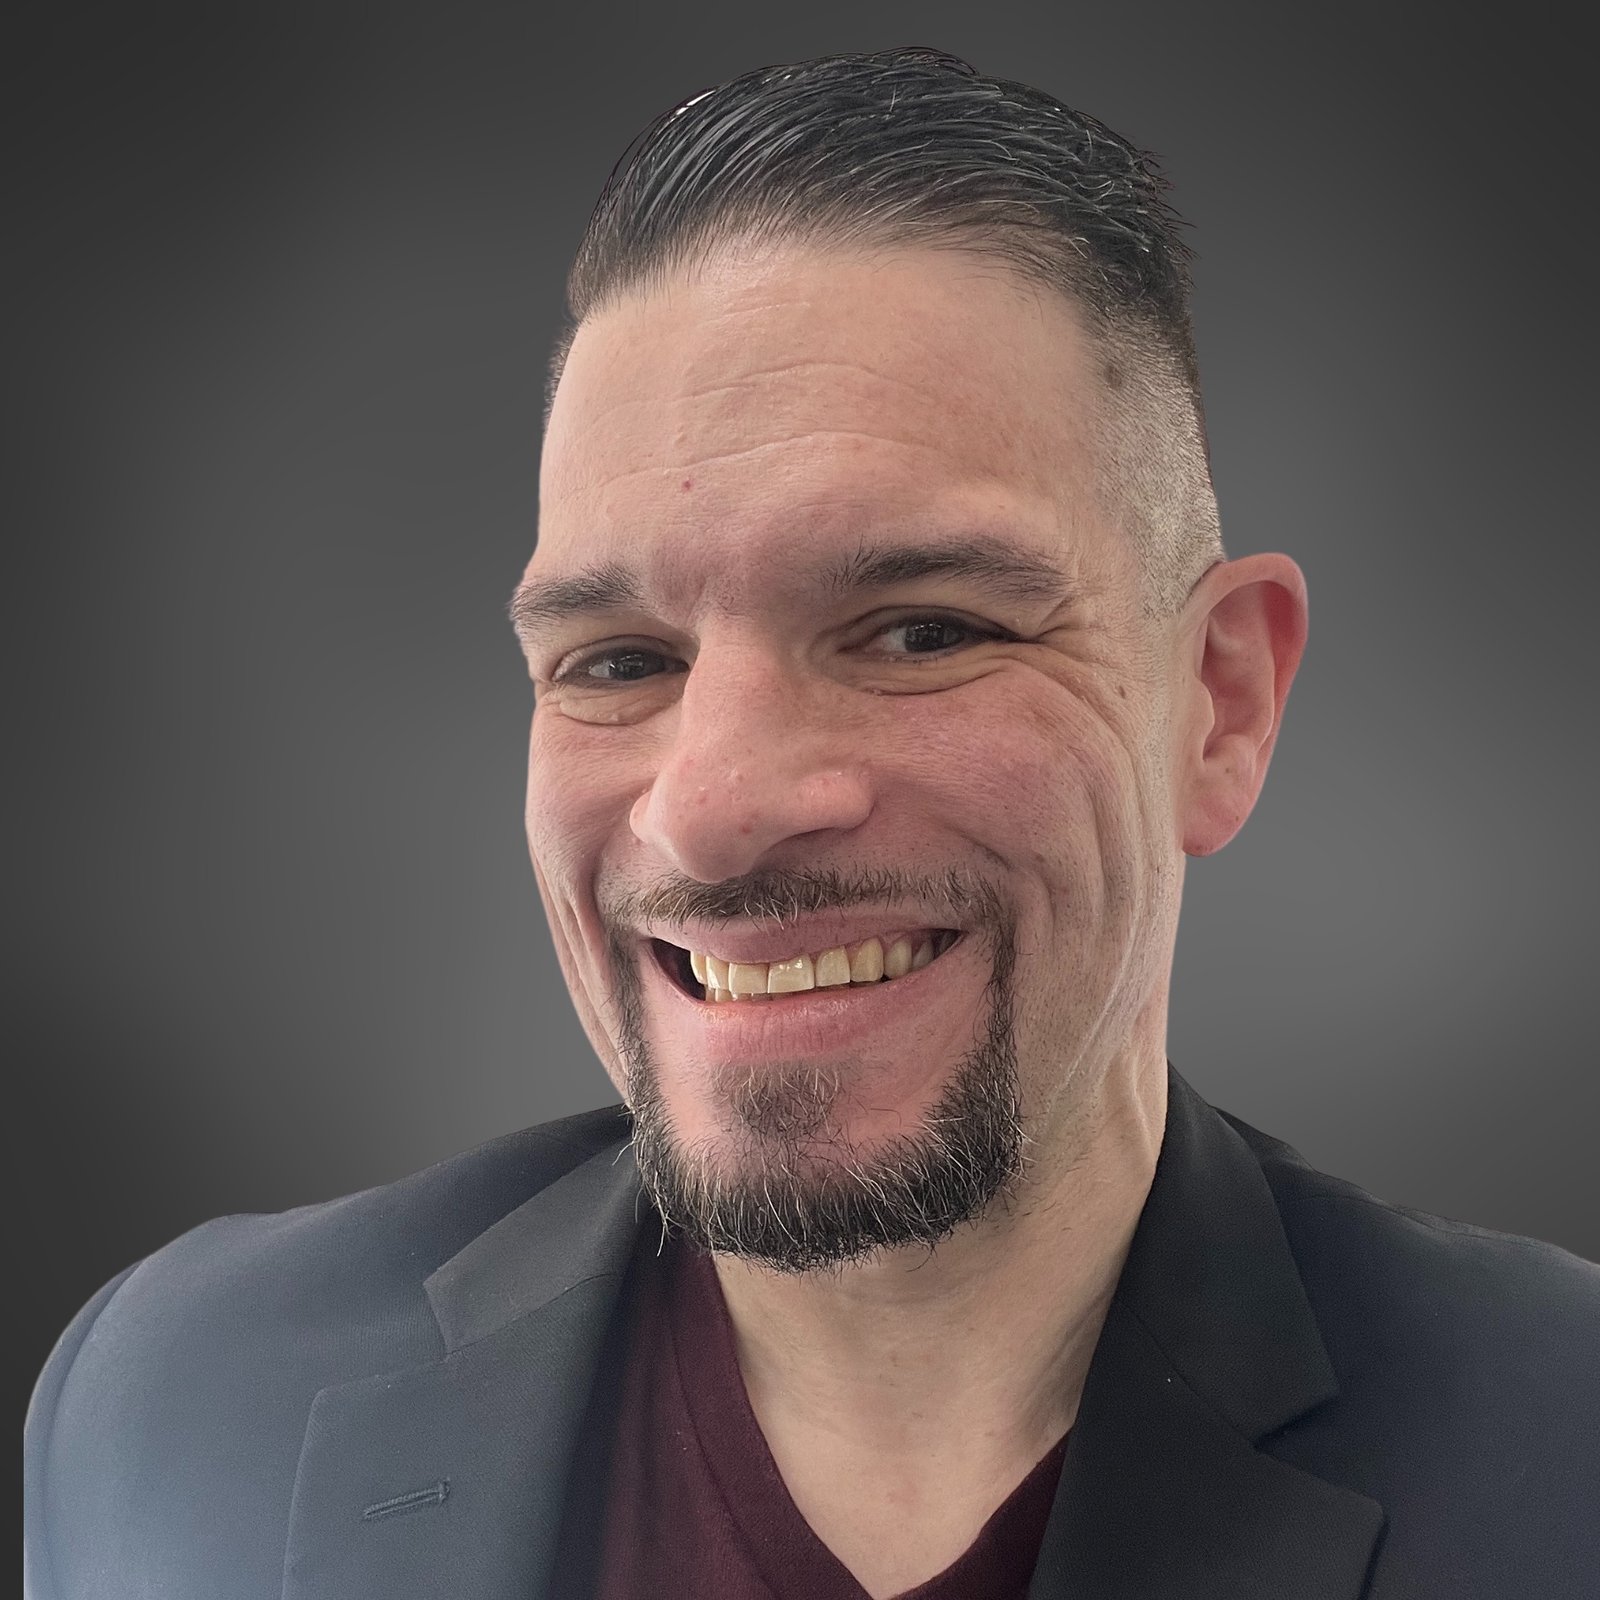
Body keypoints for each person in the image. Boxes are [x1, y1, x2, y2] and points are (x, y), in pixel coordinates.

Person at [25, 45, 1598, 1600]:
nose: (712, 814)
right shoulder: (178, 1402)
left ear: (1219, 702)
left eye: (922, 629)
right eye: (620, 662)